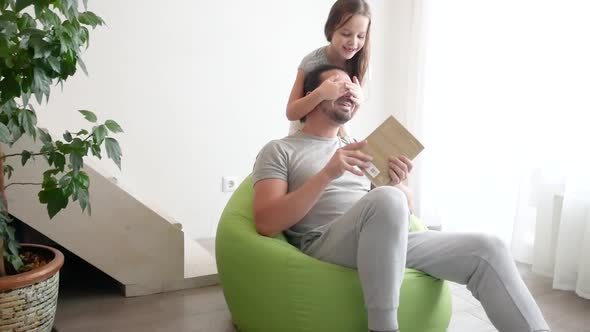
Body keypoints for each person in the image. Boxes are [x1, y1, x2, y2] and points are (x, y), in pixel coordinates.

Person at [253, 65, 551, 332]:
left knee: (489, 249)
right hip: (323, 242)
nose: (348, 90)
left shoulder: (359, 148)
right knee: (386, 200)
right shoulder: (280, 150)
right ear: (313, 95)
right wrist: (328, 173)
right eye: (337, 83)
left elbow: (401, 209)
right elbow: (266, 222)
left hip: (381, 241)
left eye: (352, 86)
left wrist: (399, 183)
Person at [286, 0, 370, 136]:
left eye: (361, 36)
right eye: (346, 34)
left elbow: (345, 116)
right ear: (331, 30)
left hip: (336, 136)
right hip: (304, 137)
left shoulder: (361, 64)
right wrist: (320, 94)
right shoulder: (311, 62)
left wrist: (358, 103)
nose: (354, 42)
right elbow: (291, 113)